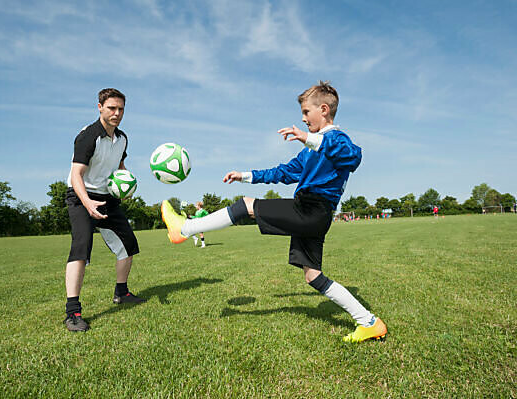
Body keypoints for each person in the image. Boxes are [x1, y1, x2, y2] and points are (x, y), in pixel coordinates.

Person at [161, 81, 387, 343]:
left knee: (247, 205)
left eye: (306, 112)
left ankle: (184, 230)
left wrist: (311, 139)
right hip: (312, 214)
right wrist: (244, 175)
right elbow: (283, 172)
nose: (302, 119)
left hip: (313, 209)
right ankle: (369, 322)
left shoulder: (336, 139)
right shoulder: (310, 150)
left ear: (323, 109)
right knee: (313, 276)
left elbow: (353, 157)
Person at [63, 88, 146, 332]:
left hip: (107, 197)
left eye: (121, 109)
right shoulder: (88, 136)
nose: (117, 113)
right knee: (81, 248)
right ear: (99, 107)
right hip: (81, 197)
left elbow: (120, 166)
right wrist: (87, 203)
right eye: (111, 108)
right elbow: (76, 174)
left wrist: (126, 183)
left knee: (128, 244)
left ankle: (122, 293)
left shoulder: (122, 139)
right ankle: (72, 313)